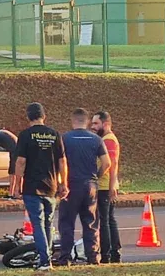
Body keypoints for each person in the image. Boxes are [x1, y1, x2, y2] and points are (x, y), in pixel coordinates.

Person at [14, 103, 68, 271]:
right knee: (48, 223)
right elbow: (62, 161)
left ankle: (44, 260)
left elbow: (21, 161)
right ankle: (46, 255)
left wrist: (17, 185)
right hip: (51, 186)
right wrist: (63, 183)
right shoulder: (54, 134)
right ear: (44, 116)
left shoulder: (25, 135)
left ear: (28, 117)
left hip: (32, 186)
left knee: (37, 224)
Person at [58, 108, 111, 266]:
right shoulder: (96, 139)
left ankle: (66, 257)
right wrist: (97, 176)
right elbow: (107, 163)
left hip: (71, 185)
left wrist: (61, 183)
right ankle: (93, 257)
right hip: (90, 185)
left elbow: (59, 162)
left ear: (73, 121)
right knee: (91, 223)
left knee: (67, 223)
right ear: (87, 121)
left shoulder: (64, 138)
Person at [91, 111, 122, 263]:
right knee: (109, 219)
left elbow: (111, 164)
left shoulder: (108, 140)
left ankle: (106, 256)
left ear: (106, 124)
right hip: (105, 185)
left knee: (104, 221)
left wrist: (110, 185)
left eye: (96, 123)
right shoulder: (104, 139)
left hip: (104, 186)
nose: (93, 126)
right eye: (92, 123)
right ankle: (114, 254)